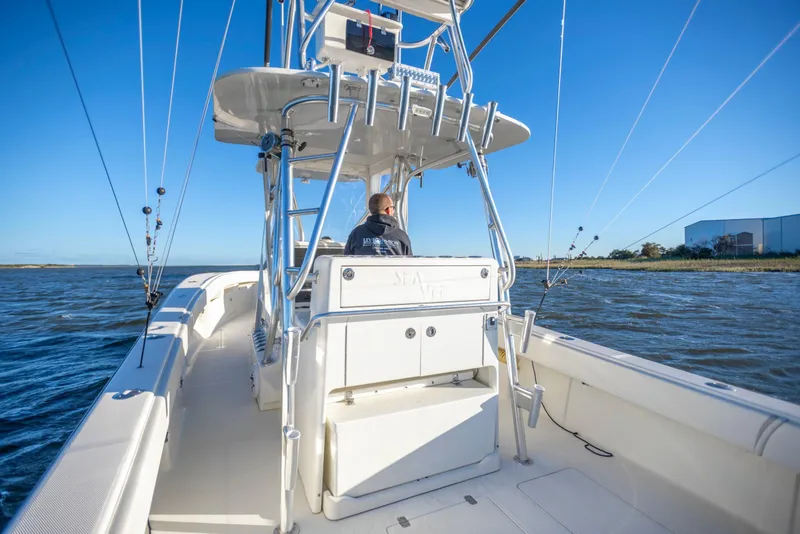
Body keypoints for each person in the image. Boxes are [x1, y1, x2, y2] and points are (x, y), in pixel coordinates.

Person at [344, 193, 412, 255]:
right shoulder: (402, 236)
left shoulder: (356, 234)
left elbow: (346, 259)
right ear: (389, 210)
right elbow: (410, 262)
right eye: (392, 207)